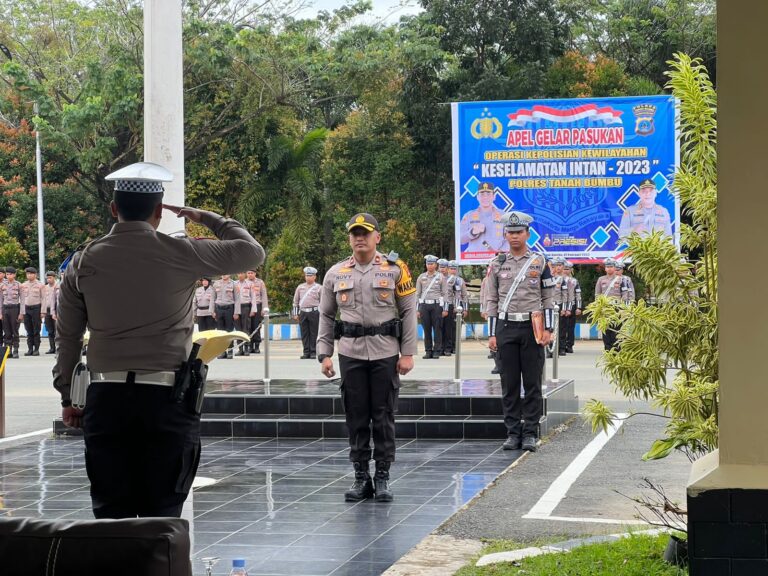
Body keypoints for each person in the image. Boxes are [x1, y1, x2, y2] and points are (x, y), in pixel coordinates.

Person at [52, 161, 264, 519]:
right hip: (166, 400)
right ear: (159, 210)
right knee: (163, 516)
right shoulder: (182, 252)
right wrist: (205, 217)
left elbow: (68, 335)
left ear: (114, 208)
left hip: (106, 402)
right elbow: (251, 252)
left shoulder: (83, 261)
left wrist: (69, 397)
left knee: (110, 516)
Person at [317, 213, 417, 503]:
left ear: (377, 237)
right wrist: (324, 354)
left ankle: (382, 476)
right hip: (351, 354)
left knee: (383, 416)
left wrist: (407, 353)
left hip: (386, 353)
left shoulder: (396, 269)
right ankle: (361, 476)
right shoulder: (336, 273)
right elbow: (325, 314)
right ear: (349, 238)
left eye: (365, 233)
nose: (360, 238)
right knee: (356, 416)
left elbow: (410, 312)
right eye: (355, 233)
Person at [485, 211, 554, 453]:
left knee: (533, 383)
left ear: (527, 234)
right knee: (509, 383)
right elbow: (491, 299)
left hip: (531, 327)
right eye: (510, 232)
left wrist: (549, 328)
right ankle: (513, 433)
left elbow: (548, 298)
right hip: (506, 328)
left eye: (519, 232)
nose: (514, 236)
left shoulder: (540, 262)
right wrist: (492, 333)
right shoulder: (497, 264)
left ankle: (530, 433)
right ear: (505, 234)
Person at [416, 255, 449, 359]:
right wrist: (417, 309)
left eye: (431, 264)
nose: (429, 266)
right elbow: (417, 294)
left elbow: (445, 294)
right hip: (424, 305)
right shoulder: (421, 277)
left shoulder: (441, 277)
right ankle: (428, 351)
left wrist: (445, 308)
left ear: (436, 265)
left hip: (436, 305)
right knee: (426, 329)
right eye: (428, 264)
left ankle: (436, 351)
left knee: (437, 329)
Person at [460, 182, 506, 253]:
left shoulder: (503, 215)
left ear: (494, 197)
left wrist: (501, 251)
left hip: (497, 260)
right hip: (474, 260)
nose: (485, 197)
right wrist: (472, 232)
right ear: (477, 197)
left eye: (488, 194)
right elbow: (460, 239)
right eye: (482, 194)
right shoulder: (468, 216)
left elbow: (509, 238)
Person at [594, 258, 627, 351]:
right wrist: (598, 307)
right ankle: (608, 348)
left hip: (617, 307)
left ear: (614, 267)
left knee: (617, 328)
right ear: (605, 269)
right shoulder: (601, 279)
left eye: (611, 267)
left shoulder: (620, 279)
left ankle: (617, 348)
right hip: (605, 307)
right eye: (607, 267)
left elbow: (624, 294)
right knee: (606, 328)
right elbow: (597, 294)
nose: (609, 269)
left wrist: (624, 308)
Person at [292, 267, 321, 359]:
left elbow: (323, 302)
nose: (308, 277)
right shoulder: (300, 287)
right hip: (303, 313)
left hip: (314, 312)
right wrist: (295, 314)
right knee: (304, 333)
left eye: (310, 276)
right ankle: (306, 352)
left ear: (314, 277)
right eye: (306, 276)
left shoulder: (319, 288)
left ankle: (313, 352)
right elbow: (295, 302)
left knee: (314, 333)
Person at [443, 260, 468, 356]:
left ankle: (455, 347)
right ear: (448, 269)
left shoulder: (460, 280)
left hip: (457, 307)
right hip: (447, 306)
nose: (453, 270)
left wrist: (464, 308)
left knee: (456, 328)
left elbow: (463, 295)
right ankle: (447, 347)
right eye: (451, 268)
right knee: (447, 328)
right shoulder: (444, 279)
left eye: (455, 269)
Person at [213, 274, 239, 359]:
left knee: (229, 331)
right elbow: (213, 299)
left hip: (229, 309)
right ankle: (222, 352)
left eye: (226, 273)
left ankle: (230, 350)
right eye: (222, 273)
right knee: (220, 331)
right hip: (218, 309)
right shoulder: (216, 284)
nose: (224, 275)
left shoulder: (234, 284)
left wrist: (236, 312)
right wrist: (212, 311)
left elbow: (237, 299)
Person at [20, 267, 44, 356]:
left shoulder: (40, 285)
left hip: (36, 308)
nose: (29, 275)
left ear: (35, 274)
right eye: (27, 274)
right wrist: (21, 311)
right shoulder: (23, 285)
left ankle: (36, 349)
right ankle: (30, 349)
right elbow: (21, 299)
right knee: (28, 329)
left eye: (31, 273)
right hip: (26, 308)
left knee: (36, 329)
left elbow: (43, 299)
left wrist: (43, 311)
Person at [246, 268, 268, 353]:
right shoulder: (244, 282)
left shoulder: (260, 282)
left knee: (256, 326)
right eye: (248, 273)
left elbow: (264, 296)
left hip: (258, 306)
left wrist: (264, 308)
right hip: (248, 306)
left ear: (255, 274)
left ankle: (257, 346)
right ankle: (250, 345)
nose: (250, 274)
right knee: (248, 326)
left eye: (252, 273)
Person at [1, 267, 21, 358]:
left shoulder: (18, 285)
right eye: (7, 274)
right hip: (5, 308)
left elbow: (23, 300)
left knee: (14, 330)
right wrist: (0, 312)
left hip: (14, 308)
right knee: (7, 331)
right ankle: (8, 350)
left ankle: (16, 350)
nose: (9, 276)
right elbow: (1, 300)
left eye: (10, 274)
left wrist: (21, 313)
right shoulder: (2, 285)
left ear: (14, 275)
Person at [562, 261, 581, 353]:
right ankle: (560, 345)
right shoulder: (557, 279)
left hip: (571, 305)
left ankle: (569, 345)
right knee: (561, 327)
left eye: (567, 269)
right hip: (560, 305)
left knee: (570, 327)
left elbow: (578, 294)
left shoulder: (574, 281)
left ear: (571, 270)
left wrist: (579, 307)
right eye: (564, 268)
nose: (566, 271)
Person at [234, 272, 254, 356]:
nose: (240, 275)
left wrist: (253, 309)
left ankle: (246, 348)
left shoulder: (250, 284)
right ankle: (240, 349)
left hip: (246, 307)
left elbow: (253, 298)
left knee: (246, 328)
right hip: (236, 308)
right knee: (238, 329)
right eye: (238, 273)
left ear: (245, 275)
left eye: (242, 273)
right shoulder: (234, 284)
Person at [43, 270, 60, 354]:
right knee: (50, 330)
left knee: (57, 330)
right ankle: (52, 348)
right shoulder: (45, 287)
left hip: (56, 310)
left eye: (50, 278)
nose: (48, 280)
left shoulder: (58, 286)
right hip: (47, 310)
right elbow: (42, 300)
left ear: (54, 278)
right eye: (47, 278)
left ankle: (58, 348)